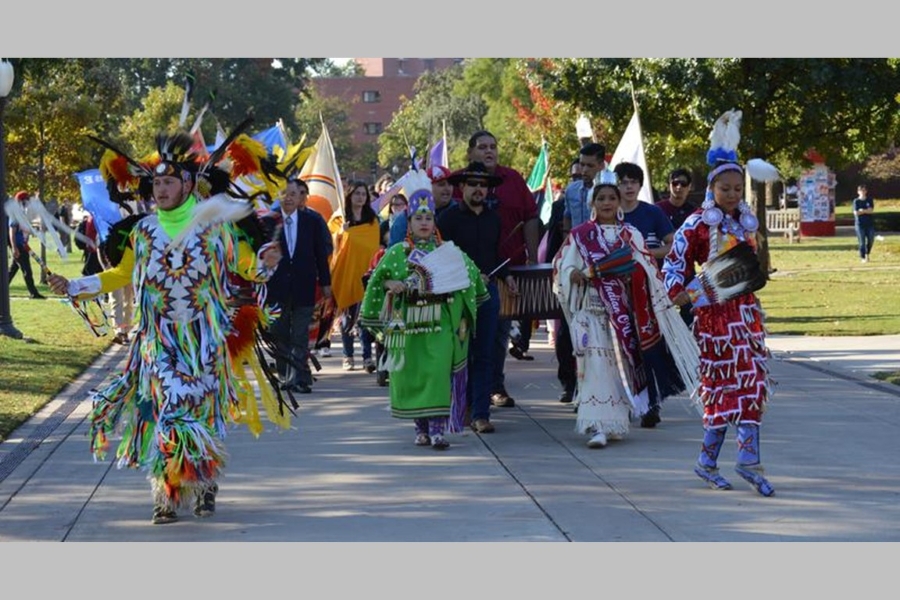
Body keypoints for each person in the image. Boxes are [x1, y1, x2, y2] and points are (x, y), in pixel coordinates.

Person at [46, 129, 286, 524]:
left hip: (205, 339)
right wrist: (74, 286)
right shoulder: (142, 232)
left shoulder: (215, 227)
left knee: (205, 414)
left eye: (168, 181)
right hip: (158, 341)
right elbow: (120, 275)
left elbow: (247, 268)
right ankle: (166, 492)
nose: (160, 188)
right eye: (156, 182)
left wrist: (266, 262)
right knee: (168, 409)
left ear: (188, 184)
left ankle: (205, 487)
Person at [663, 109, 775, 497]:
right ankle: (707, 461)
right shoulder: (697, 223)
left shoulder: (746, 221)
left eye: (736, 188)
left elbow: (751, 265)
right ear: (712, 189)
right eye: (724, 188)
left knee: (752, 384)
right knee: (721, 387)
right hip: (713, 318)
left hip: (745, 315)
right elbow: (675, 259)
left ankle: (747, 460)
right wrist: (677, 289)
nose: (731, 194)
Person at [554, 169, 698, 448]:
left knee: (620, 369)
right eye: (601, 199)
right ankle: (598, 425)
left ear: (619, 202)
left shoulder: (631, 234)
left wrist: (630, 274)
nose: (607, 203)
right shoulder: (580, 235)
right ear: (592, 204)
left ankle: (615, 422)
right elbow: (563, 266)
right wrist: (573, 274)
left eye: (611, 198)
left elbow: (646, 267)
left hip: (624, 313)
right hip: (593, 310)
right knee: (596, 367)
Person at [360, 170, 486, 450]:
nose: (425, 223)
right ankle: (421, 429)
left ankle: (439, 431)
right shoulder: (397, 253)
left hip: (440, 323)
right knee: (415, 375)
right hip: (408, 326)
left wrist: (472, 280)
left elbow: (471, 276)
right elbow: (375, 282)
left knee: (437, 375)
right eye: (418, 218)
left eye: (429, 218)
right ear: (409, 222)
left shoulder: (449, 251)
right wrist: (391, 283)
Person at [452, 130, 540, 409]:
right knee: (464, 334)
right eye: (482, 147)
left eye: (493, 146)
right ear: (470, 152)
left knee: (499, 332)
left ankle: (495, 385)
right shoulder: (456, 182)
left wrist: (534, 258)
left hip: (505, 269)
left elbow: (530, 218)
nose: (489, 151)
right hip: (462, 277)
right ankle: (463, 393)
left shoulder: (512, 179)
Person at [439, 161, 518, 434]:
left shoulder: (494, 219)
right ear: (462, 187)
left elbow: (497, 254)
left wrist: (506, 275)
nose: (478, 189)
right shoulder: (447, 219)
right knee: (459, 353)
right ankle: (461, 406)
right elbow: (441, 259)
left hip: (487, 293)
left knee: (485, 353)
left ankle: (481, 413)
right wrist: (469, 277)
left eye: (483, 185)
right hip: (456, 295)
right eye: (472, 184)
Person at [613, 161, 675, 427]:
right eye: (623, 182)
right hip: (615, 293)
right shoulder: (608, 213)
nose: (628, 187)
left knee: (649, 347)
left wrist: (643, 256)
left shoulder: (653, 214)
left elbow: (671, 246)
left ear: (640, 185)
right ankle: (624, 402)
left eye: (633, 182)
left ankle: (653, 403)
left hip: (648, 293)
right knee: (622, 349)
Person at [265, 178, 332, 394]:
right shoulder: (269, 222)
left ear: (300, 196)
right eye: (285, 193)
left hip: (304, 285)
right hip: (277, 288)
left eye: (293, 193)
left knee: (300, 334)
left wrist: (325, 282)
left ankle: (300, 378)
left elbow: (321, 254)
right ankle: (286, 376)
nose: (289, 197)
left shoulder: (311, 221)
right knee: (280, 333)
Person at [328, 180, 382, 371]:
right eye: (357, 193)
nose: (360, 197)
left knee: (365, 317)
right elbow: (330, 246)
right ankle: (347, 355)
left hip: (366, 274)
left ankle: (367, 356)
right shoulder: (339, 218)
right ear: (349, 195)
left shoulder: (372, 220)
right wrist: (340, 235)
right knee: (346, 317)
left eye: (363, 194)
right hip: (346, 273)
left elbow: (374, 246)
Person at [545, 160, 581, 403]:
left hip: (603, 278)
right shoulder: (563, 203)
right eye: (575, 174)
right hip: (570, 273)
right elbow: (553, 239)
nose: (580, 177)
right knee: (566, 332)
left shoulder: (609, 198)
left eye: (587, 169)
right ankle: (569, 384)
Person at [656, 168, 699, 327]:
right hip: (662, 268)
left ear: (690, 187)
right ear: (669, 185)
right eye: (675, 183)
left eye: (683, 183)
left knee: (694, 309)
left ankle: (692, 342)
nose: (678, 187)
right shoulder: (657, 210)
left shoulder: (695, 213)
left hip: (688, 269)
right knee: (660, 311)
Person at [388, 166, 454, 246]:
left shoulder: (458, 213)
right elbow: (394, 253)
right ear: (429, 185)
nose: (447, 188)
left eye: (450, 184)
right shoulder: (403, 220)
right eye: (441, 184)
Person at [562, 143, 606, 235]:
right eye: (582, 164)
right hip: (576, 245)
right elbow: (567, 216)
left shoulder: (611, 193)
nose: (585, 170)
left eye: (590, 165)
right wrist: (567, 243)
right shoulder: (571, 190)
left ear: (601, 165)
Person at [853, 184, 875, 263]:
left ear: (866, 191)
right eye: (861, 190)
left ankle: (867, 253)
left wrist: (862, 211)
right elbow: (856, 213)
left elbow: (871, 211)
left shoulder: (869, 200)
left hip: (869, 224)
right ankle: (862, 257)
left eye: (864, 190)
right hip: (860, 224)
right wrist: (866, 211)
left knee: (871, 239)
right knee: (862, 242)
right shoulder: (856, 201)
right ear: (858, 192)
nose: (862, 192)